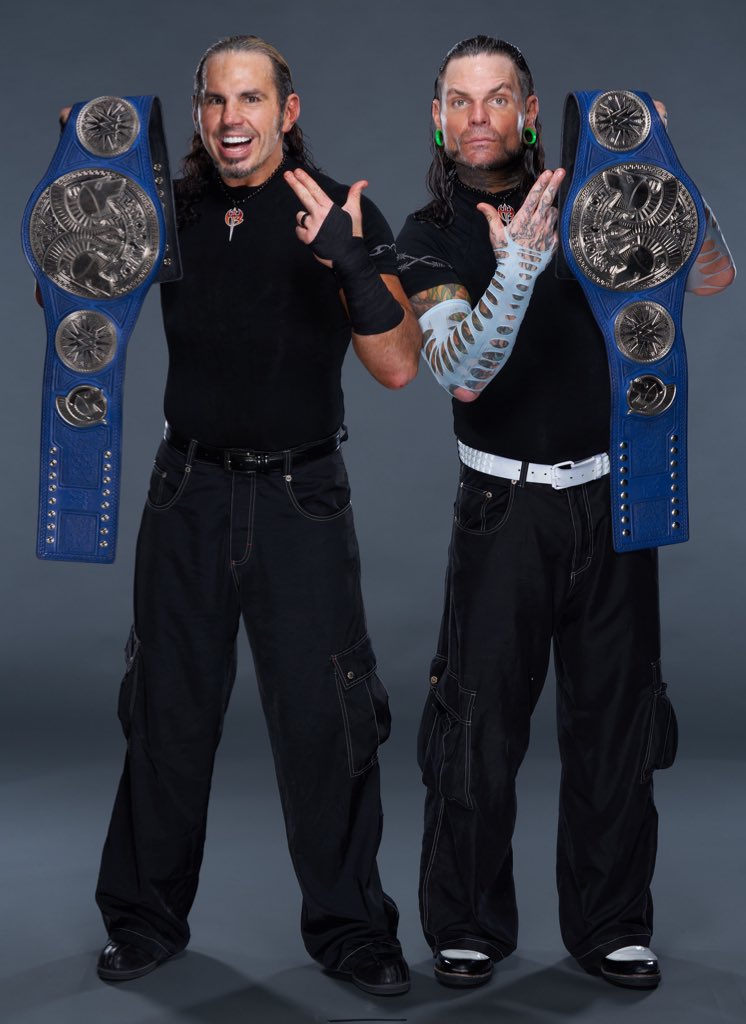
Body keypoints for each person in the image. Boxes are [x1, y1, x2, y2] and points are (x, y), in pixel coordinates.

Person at [396, 35, 735, 991]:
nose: (478, 117)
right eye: (460, 100)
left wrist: (663, 168)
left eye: (498, 97)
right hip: (502, 509)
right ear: (438, 118)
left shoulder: (601, 197)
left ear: (530, 110)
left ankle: (612, 924)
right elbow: (459, 372)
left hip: (614, 495)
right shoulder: (428, 234)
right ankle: (467, 925)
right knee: (476, 726)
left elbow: (711, 275)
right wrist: (515, 271)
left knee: (617, 724)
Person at [83, 34, 420, 994]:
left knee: (327, 721)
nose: (233, 119)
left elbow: (399, 366)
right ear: (199, 114)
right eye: (216, 101)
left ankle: (354, 933)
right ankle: (144, 919)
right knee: (167, 712)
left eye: (252, 99)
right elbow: (63, 289)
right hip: (185, 492)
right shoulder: (167, 208)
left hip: (298, 500)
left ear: (288, 110)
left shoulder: (340, 209)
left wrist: (349, 263)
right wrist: (86, 184)